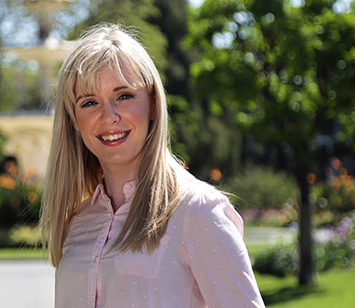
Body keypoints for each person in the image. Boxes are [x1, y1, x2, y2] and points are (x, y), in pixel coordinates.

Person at [40, 23, 265, 308]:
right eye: (89, 102)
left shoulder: (196, 212)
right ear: (73, 120)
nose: (109, 116)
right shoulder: (77, 222)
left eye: (124, 96)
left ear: (153, 104)